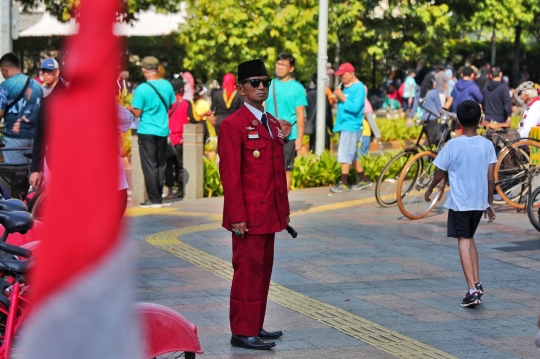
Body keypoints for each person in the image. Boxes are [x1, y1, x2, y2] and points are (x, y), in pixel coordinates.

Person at [218, 59, 290, 351]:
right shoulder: (232, 125)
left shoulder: (270, 122)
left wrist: (282, 211)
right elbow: (231, 176)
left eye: (265, 82)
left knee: (263, 271)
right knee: (247, 272)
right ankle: (242, 331)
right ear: (241, 88)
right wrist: (237, 216)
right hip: (247, 215)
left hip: (269, 213)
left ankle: (254, 323)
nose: (261, 87)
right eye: (254, 83)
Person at [425, 100, 497, 308]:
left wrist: (429, 190)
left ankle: (472, 291)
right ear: (481, 120)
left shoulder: (453, 145)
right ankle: (477, 282)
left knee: (463, 240)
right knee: (470, 237)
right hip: (478, 202)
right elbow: (491, 178)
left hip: (461, 202)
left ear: (457, 121)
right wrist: (489, 203)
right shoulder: (487, 145)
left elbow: (440, 172)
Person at [128, 56, 176, 208]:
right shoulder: (167, 85)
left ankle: (154, 199)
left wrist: (130, 108)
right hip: (162, 130)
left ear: (143, 70)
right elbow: (171, 105)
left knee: (149, 164)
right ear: (158, 68)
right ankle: (159, 197)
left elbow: (137, 113)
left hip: (147, 130)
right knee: (161, 164)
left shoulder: (142, 88)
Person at [265, 53, 307, 191]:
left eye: (283, 64)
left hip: (289, 134)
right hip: (268, 133)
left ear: (291, 68)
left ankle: (281, 205)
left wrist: (300, 138)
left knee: (284, 170)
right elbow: (262, 107)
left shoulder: (297, 88)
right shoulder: (269, 85)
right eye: (278, 64)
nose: (280, 67)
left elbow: (300, 114)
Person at [330, 63, 371, 193]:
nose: (341, 78)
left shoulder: (359, 88)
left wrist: (341, 96)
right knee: (352, 155)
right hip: (344, 124)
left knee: (344, 154)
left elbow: (355, 108)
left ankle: (343, 182)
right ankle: (364, 179)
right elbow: (346, 101)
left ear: (351, 73)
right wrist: (339, 98)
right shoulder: (346, 87)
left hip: (351, 125)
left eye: (343, 75)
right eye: (340, 76)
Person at [29, 58, 69, 189]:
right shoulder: (47, 100)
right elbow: (40, 136)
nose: (46, 74)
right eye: (44, 71)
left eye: (49, 71)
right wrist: (36, 169)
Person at [0, 53, 43, 164]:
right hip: (36, 138)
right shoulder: (37, 85)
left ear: (5, 69)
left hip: (14, 137)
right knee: (34, 175)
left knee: (15, 176)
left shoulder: (5, 86)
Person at [164, 78, 191, 199]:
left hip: (168, 140)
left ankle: (170, 192)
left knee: (168, 166)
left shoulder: (166, 103)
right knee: (180, 166)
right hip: (181, 140)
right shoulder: (186, 103)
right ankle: (180, 190)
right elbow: (194, 119)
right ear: (181, 89)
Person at [444, 66, 483, 134]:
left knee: (456, 137)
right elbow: (480, 99)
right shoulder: (473, 86)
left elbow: (451, 97)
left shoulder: (456, 84)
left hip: (456, 115)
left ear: (462, 74)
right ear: (472, 75)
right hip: (468, 116)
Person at [306, 72, 333, 152]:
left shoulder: (309, 95)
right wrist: (331, 128)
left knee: (313, 151)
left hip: (312, 127)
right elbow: (328, 113)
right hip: (323, 127)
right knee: (324, 152)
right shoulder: (324, 95)